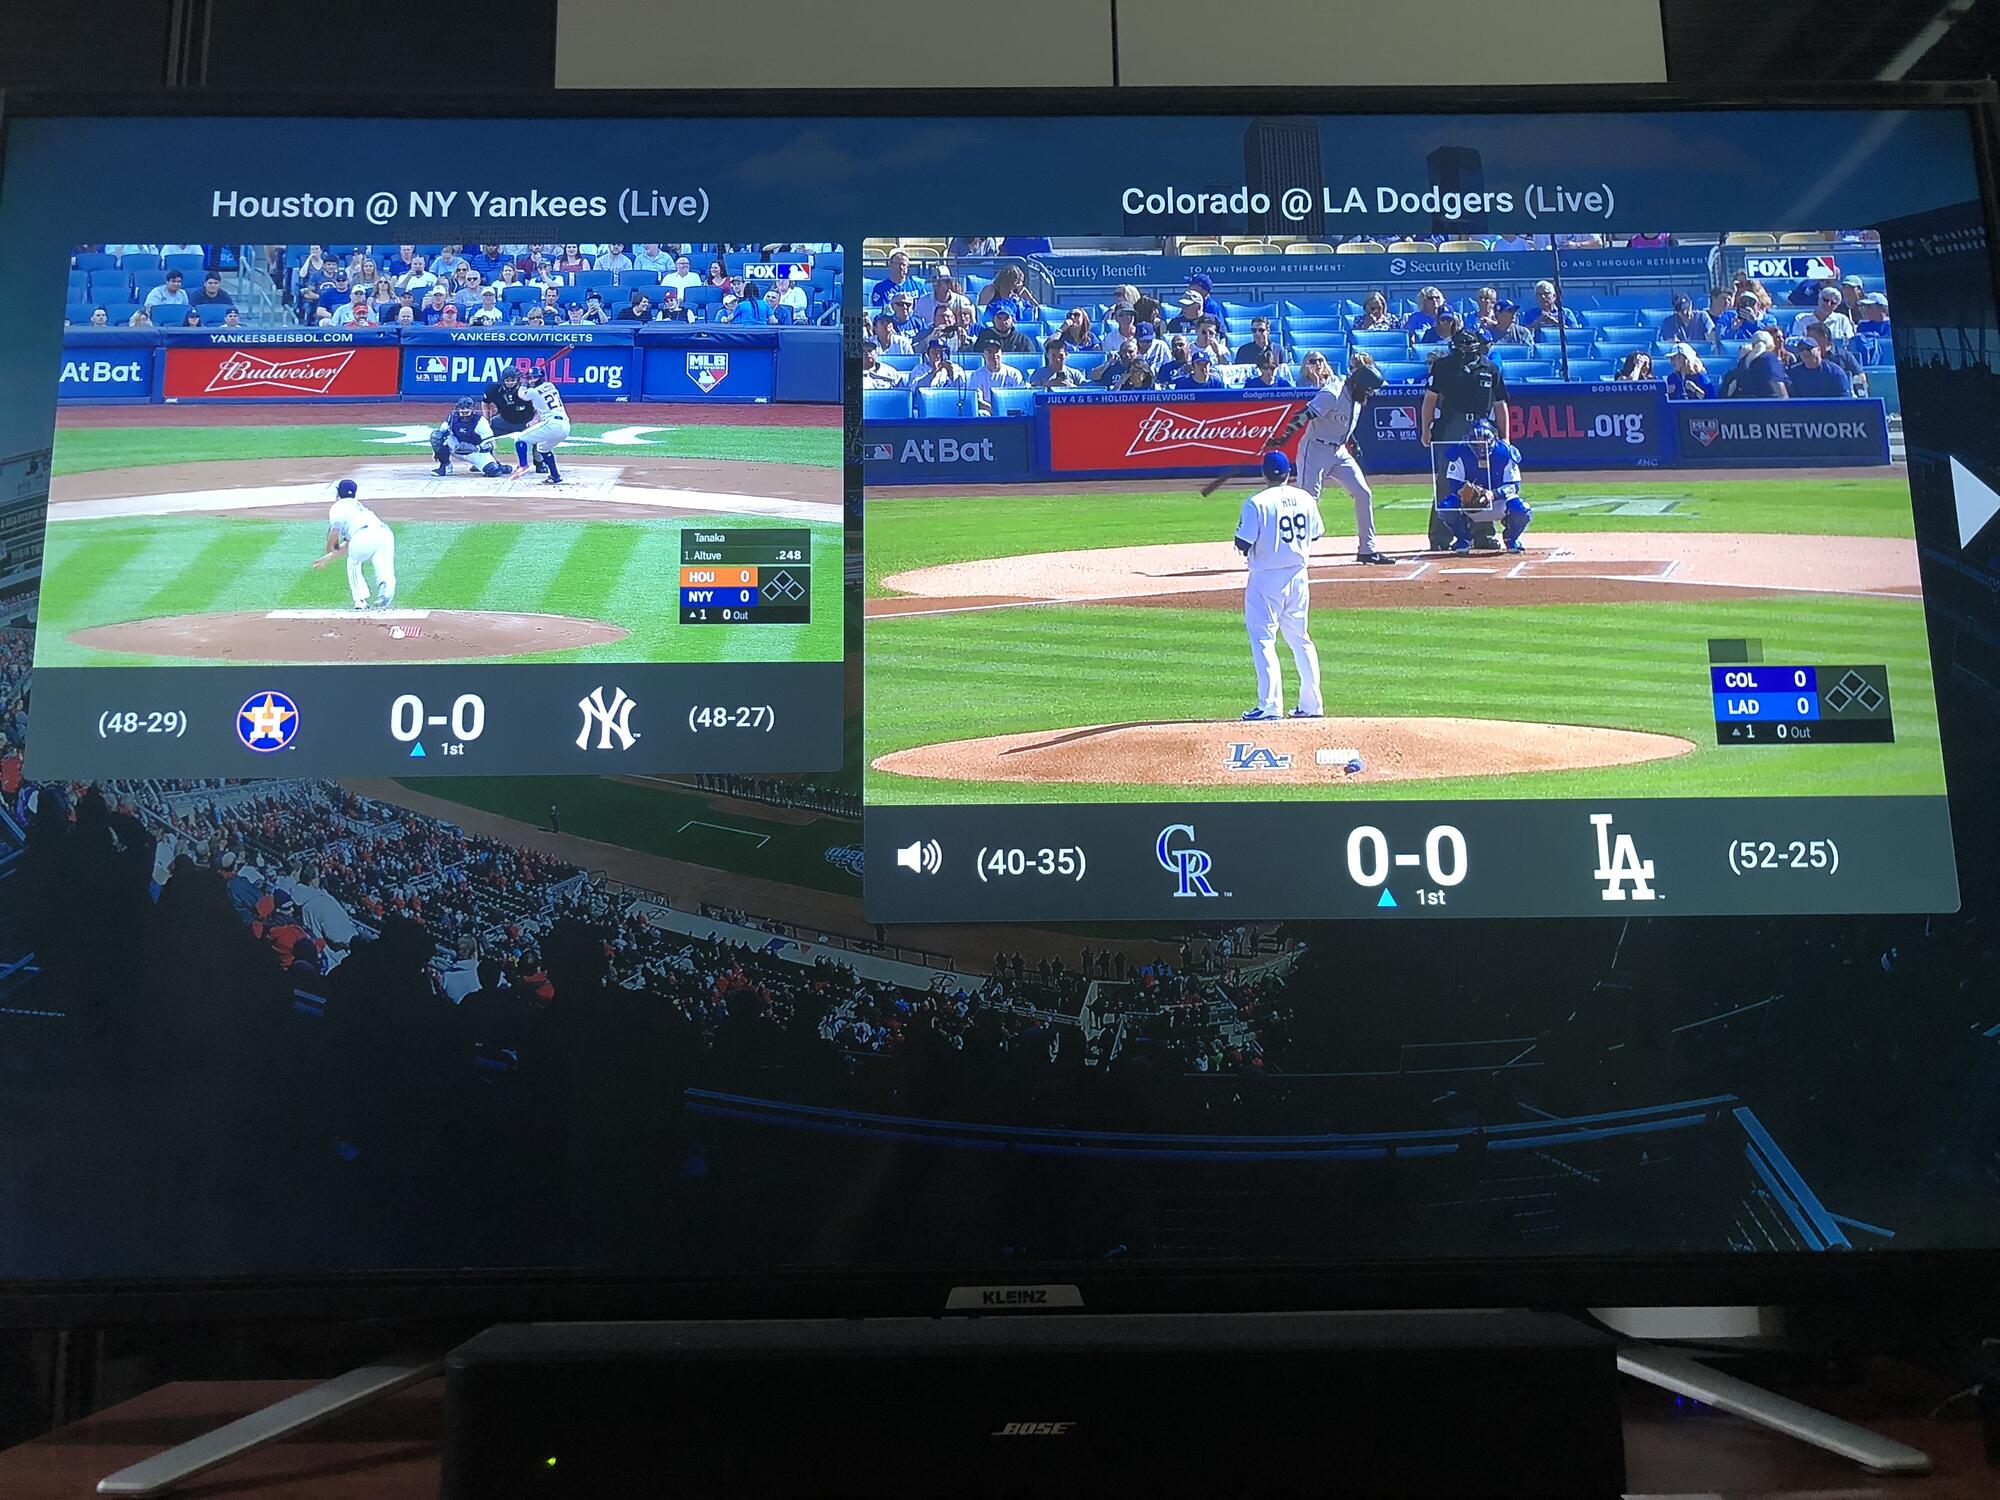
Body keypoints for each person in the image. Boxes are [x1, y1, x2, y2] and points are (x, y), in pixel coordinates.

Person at [1266, 356, 1394, 564]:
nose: (1371, 394)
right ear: (1359, 385)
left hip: (1339, 451)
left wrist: (1352, 443)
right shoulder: (1333, 393)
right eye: (1369, 390)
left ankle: (1367, 549)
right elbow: (1304, 414)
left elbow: (1344, 423)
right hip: (1315, 449)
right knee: (1308, 500)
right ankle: (1291, 553)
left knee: (1363, 493)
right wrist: (1284, 437)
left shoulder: (1356, 396)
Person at [1233, 450, 1324, 722]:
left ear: (1264, 473)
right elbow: (1315, 534)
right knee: (1300, 639)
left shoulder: (1256, 503)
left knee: (1263, 639)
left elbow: (1243, 542)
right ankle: (1312, 705)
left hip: (1266, 578)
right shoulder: (1305, 498)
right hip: (1298, 576)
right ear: (1289, 472)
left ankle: (1270, 705)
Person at [1421, 327, 1510, 549]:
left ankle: (1483, 533)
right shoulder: (1443, 366)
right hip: (1451, 424)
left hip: (1481, 427)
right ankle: (1440, 537)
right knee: (1447, 481)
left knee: (1482, 478)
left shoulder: (1490, 368)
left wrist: (1505, 437)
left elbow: (1500, 405)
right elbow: (1430, 399)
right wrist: (1425, 429)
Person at [1438, 419, 1532, 554]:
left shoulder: (1505, 452)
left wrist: (1493, 494)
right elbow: (1453, 484)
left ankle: (1511, 538)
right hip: (1470, 504)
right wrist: (1466, 492)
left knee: (1522, 509)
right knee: (1446, 507)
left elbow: (1513, 486)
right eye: (1476, 444)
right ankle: (1464, 538)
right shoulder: (1460, 452)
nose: (1481, 448)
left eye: (1484, 442)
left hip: (1499, 502)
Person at [314, 479, 397, 610]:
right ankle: (386, 591)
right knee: (384, 567)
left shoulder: (338, 506)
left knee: (353, 563)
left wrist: (329, 549)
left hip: (362, 535)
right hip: (385, 534)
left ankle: (360, 600)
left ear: (338, 493)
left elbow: (335, 534)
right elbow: (350, 545)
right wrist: (328, 558)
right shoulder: (359, 507)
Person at [511, 361, 570, 483]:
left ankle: (523, 465)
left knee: (519, 439)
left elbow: (521, 395)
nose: (531, 380)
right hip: (565, 426)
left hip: (552, 424)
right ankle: (555, 476)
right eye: (531, 378)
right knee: (542, 448)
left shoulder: (533, 392)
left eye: (533, 378)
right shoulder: (550, 385)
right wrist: (529, 378)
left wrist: (523, 383)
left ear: (539, 378)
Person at [483, 365, 545, 473]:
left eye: (513, 380)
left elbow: (539, 408)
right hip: (504, 420)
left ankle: (539, 462)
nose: (510, 383)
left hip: (526, 422)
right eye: (507, 380)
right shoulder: (493, 389)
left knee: (540, 433)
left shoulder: (528, 390)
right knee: (483, 433)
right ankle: (487, 461)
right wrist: (486, 420)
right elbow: (485, 402)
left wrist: (534, 421)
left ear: (518, 380)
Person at [429, 396, 510, 477]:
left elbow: (492, 444)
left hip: (476, 453)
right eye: (462, 408)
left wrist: (476, 448)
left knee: (493, 471)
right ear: (457, 408)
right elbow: (440, 436)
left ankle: (497, 466)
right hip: (457, 449)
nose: (465, 410)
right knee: (436, 436)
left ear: (473, 409)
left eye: (468, 408)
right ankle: (445, 466)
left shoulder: (480, 421)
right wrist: (436, 452)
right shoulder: (451, 418)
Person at [1726, 331, 1790, 399]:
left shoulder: (1743, 361)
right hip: (1768, 403)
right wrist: (1786, 402)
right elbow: (1778, 385)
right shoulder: (1770, 358)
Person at [1785, 336, 1854, 399]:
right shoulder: (1794, 373)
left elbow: (1844, 398)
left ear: (1818, 350)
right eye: (1801, 350)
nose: (1805, 352)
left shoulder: (1835, 372)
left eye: (1808, 349)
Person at [968, 342, 1024, 414]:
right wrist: (996, 410)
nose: (994, 356)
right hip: (988, 412)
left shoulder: (1014, 374)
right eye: (990, 352)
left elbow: (1019, 398)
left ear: (1001, 354)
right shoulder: (977, 375)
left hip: (1010, 412)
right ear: (984, 355)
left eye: (996, 352)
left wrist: (1003, 410)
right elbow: (978, 400)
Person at [1790, 284, 1856, 344]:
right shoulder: (1801, 319)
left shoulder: (1842, 320)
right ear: (1819, 299)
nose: (1828, 304)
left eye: (1833, 303)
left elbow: (1850, 342)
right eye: (1825, 300)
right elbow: (1796, 341)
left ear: (1837, 306)